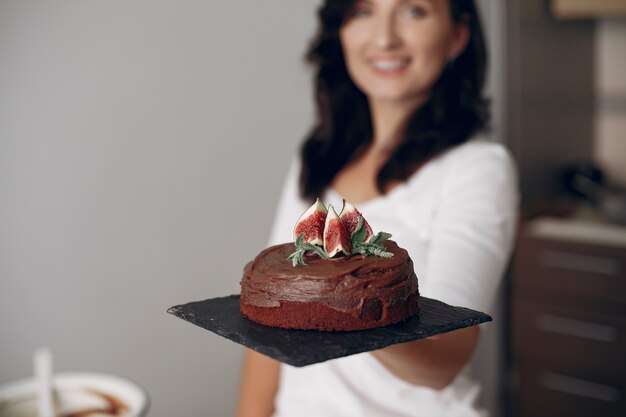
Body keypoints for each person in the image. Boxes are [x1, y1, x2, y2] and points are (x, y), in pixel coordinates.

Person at [237, 0, 518, 416]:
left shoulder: (478, 168)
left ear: (457, 35)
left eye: (414, 11)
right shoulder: (317, 158)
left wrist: (347, 301)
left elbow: (446, 357)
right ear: (342, 31)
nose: (385, 38)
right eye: (363, 11)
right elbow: (268, 324)